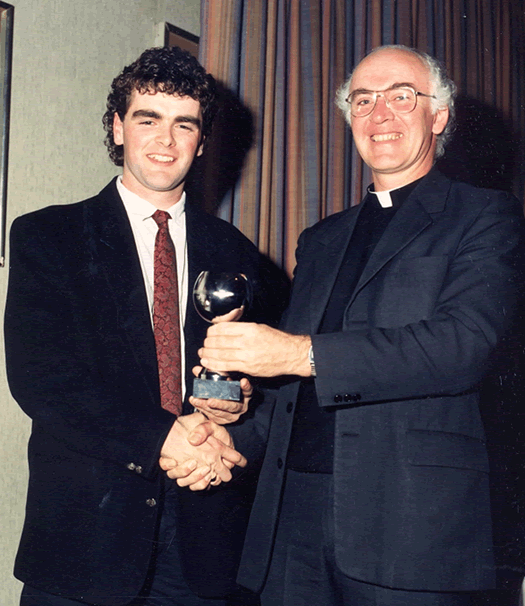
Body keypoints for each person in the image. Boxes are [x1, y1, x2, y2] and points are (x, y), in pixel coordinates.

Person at [190, 45, 525, 605]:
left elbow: (464, 345)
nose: (380, 114)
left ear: (438, 116)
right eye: (363, 100)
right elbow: (288, 389)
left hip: (410, 528)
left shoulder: (486, 216)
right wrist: (229, 429)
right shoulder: (321, 238)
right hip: (289, 523)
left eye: (401, 97)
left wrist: (299, 354)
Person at [5, 46, 286, 606]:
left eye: (185, 124)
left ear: (201, 142)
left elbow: (258, 384)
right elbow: (43, 380)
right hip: (86, 542)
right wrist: (162, 436)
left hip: (204, 541)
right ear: (118, 127)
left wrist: (234, 402)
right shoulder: (49, 237)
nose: (166, 139)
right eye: (147, 119)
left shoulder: (235, 251)